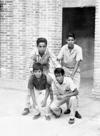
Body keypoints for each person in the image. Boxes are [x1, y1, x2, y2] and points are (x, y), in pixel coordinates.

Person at [22, 37, 60, 115]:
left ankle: (52, 105)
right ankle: (27, 106)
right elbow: (30, 65)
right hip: (35, 70)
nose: (42, 48)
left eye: (44, 46)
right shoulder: (33, 53)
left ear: (46, 46)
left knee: (50, 83)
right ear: (37, 46)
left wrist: (60, 70)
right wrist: (33, 73)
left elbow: (55, 62)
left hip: (45, 69)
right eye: (40, 46)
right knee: (30, 86)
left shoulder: (49, 51)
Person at [57, 33, 83, 118]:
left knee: (75, 90)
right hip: (65, 69)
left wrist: (72, 74)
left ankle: (75, 111)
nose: (70, 41)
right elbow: (59, 59)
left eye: (72, 40)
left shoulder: (78, 49)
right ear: (66, 40)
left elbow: (78, 63)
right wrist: (61, 69)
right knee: (67, 90)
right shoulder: (63, 48)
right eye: (69, 40)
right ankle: (68, 108)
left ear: (74, 41)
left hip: (75, 71)